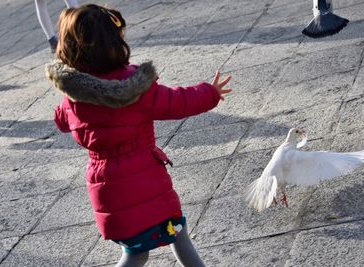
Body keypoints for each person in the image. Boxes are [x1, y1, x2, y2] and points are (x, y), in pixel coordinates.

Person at [45, 4, 232, 267]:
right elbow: (177, 102)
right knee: (175, 235)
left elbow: (62, 120)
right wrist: (210, 92)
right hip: (145, 184)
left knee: (137, 250)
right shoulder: (134, 87)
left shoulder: (74, 95)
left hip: (107, 192)